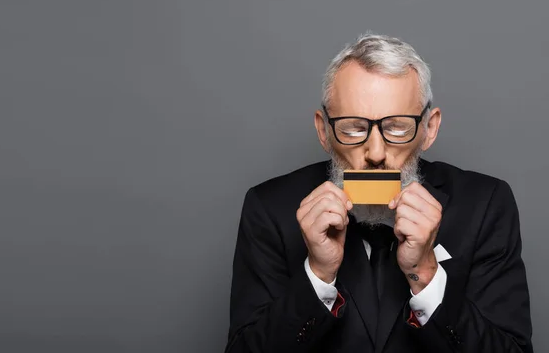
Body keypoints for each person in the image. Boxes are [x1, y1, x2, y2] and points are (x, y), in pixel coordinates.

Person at [224, 33, 533, 352]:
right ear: (324, 131)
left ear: (429, 129)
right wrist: (317, 274)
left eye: (397, 127)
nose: (375, 153)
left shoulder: (485, 206)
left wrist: (425, 274)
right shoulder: (269, 209)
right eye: (353, 127)